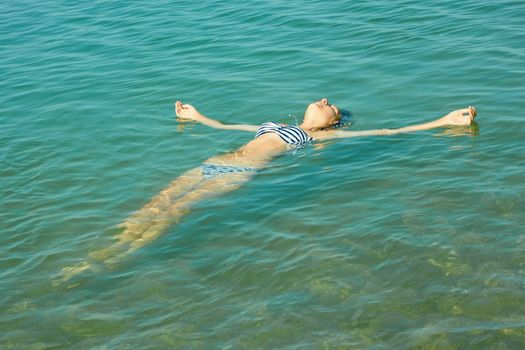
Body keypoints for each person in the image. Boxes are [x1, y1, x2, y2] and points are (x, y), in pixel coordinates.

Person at [58, 98, 477, 282]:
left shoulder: (319, 138)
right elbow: (225, 127)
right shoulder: (273, 124)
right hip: (210, 163)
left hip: (235, 175)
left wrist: (445, 121)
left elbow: (388, 131)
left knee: (172, 214)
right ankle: (98, 253)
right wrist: (194, 116)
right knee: (153, 205)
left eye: (331, 105)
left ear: (330, 121)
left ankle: (111, 261)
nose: (325, 99)